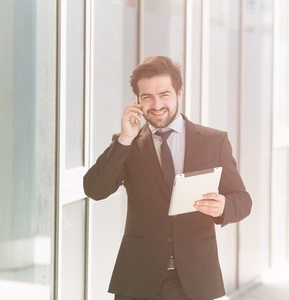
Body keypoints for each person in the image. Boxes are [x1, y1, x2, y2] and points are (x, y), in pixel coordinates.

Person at [83, 56, 252, 300]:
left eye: (164, 94)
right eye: (147, 97)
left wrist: (224, 206)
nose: (157, 104)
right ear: (137, 101)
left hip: (194, 279)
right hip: (138, 277)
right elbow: (94, 189)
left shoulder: (213, 141)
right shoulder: (127, 144)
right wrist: (124, 139)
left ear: (179, 92)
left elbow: (243, 200)